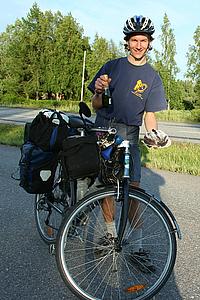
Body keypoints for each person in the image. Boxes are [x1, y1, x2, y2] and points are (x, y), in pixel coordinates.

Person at [88, 15, 171, 271]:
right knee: (108, 187)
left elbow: (150, 114)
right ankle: (110, 236)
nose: (138, 45)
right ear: (127, 43)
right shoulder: (111, 67)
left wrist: (154, 133)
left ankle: (137, 247)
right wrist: (100, 91)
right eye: (133, 40)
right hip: (105, 130)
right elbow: (95, 104)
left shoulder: (152, 77)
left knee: (133, 190)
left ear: (149, 43)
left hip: (131, 134)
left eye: (142, 40)